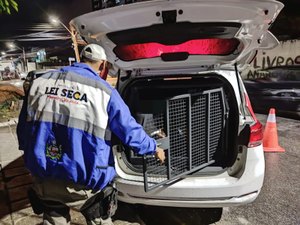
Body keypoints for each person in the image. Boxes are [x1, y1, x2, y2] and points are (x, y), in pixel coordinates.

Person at [17, 43, 165, 225]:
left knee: (54, 218)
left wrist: (32, 157)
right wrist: (153, 148)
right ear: (102, 65)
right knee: (98, 218)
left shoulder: (39, 83)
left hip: (45, 174)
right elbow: (129, 131)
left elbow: (24, 130)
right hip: (84, 181)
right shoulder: (104, 92)